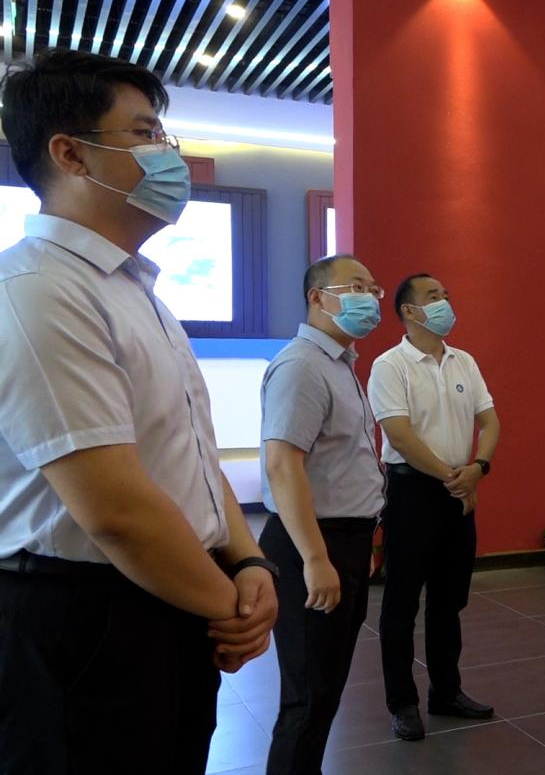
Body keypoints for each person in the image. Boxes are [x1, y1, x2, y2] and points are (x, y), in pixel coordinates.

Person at [0, 49, 278, 774]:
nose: (168, 155)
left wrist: (247, 559)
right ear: (71, 154)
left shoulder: (135, 291)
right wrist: (231, 606)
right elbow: (116, 509)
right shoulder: (37, 289)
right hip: (86, 614)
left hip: (170, 592)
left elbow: (192, 454)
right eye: (146, 134)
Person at [260, 255, 387, 773]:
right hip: (312, 542)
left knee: (326, 688)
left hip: (344, 540)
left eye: (373, 289)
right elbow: (282, 463)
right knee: (308, 696)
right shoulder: (303, 366)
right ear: (318, 298)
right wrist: (316, 558)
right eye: (356, 287)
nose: (370, 298)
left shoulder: (339, 364)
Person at [368, 273, 500, 741]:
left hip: (459, 488)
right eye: (432, 296)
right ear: (409, 310)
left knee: (449, 599)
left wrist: (479, 467)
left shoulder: (464, 361)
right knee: (402, 603)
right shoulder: (390, 365)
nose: (444, 302)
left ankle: (447, 691)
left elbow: (490, 421)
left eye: (445, 295)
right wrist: (454, 477)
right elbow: (399, 435)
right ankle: (402, 703)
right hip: (412, 492)